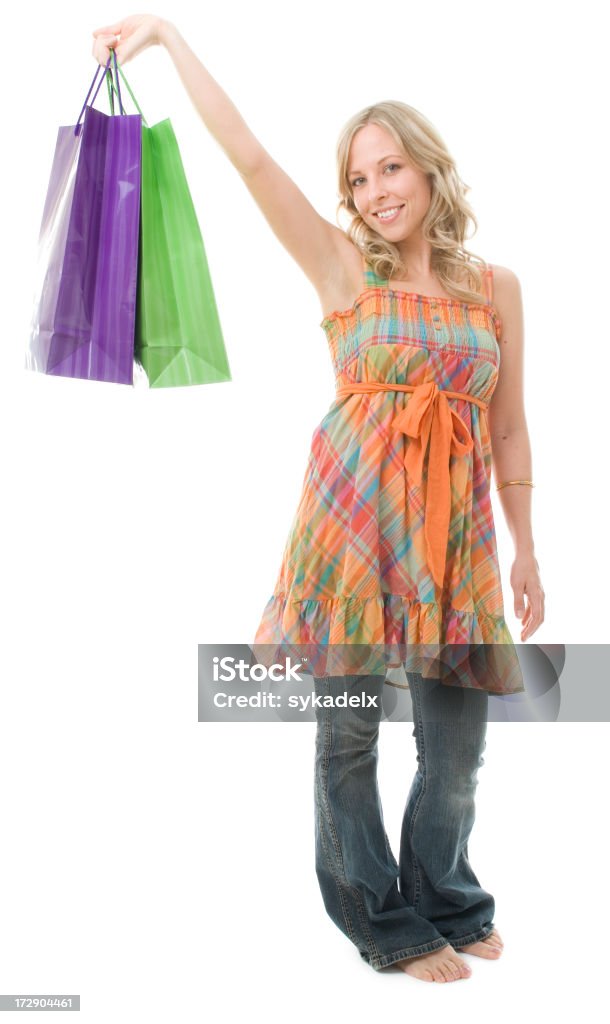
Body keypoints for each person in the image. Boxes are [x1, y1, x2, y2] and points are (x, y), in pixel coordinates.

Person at [92, 15, 545, 983]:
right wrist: (169, 40)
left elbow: (506, 428)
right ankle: (375, 918)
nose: (373, 192)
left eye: (389, 169)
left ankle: (446, 895)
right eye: (356, 177)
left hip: (454, 543)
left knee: (455, 749)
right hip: (350, 538)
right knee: (347, 738)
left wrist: (527, 547)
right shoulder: (343, 270)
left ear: (429, 169)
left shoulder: (495, 287)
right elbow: (249, 156)